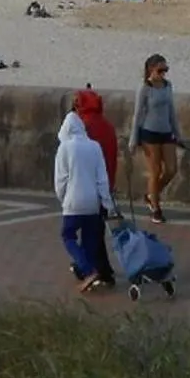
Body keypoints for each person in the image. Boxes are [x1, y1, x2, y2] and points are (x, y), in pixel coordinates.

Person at [54, 110, 113, 293]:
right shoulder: (94, 146)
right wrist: (107, 203)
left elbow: (61, 179)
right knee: (89, 239)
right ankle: (88, 271)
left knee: (68, 236)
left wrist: (63, 199)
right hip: (92, 203)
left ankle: (88, 271)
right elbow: (102, 178)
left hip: (73, 202)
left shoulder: (64, 148)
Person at [73, 88, 120, 285]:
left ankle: (90, 269)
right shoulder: (107, 126)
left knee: (89, 229)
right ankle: (103, 270)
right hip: (105, 183)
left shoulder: (84, 127)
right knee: (96, 228)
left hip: (88, 185)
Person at [130, 54, 181, 224]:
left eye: (165, 70)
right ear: (151, 69)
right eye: (160, 70)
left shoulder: (168, 86)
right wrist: (133, 139)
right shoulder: (145, 88)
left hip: (166, 132)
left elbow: (171, 111)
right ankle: (156, 208)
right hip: (149, 133)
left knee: (171, 169)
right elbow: (137, 115)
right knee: (155, 171)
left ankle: (151, 195)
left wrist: (178, 134)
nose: (163, 73)